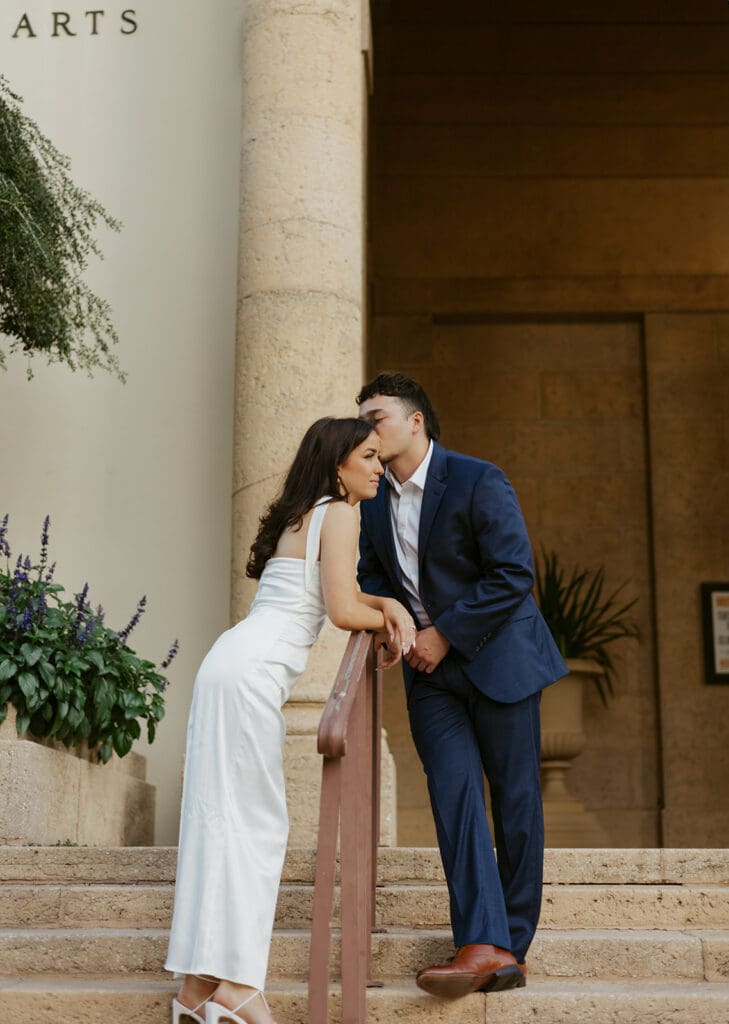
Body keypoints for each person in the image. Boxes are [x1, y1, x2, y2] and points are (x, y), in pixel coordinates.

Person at [165, 416, 416, 1024]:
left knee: (216, 821)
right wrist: (390, 610)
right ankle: (237, 988)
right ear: (338, 465)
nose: (379, 469)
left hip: (225, 664)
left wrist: (380, 602)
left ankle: (197, 988)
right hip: (250, 675)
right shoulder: (341, 511)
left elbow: (335, 598)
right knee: (256, 825)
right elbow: (339, 609)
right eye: (369, 458)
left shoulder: (302, 513)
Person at [356, 373, 568, 998]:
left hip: (497, 659)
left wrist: (444, 632)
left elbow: (513, 574)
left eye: (377, 416)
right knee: (454, 798)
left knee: (515, 800)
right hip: (428, 676)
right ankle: (480, 940)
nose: (367, 428)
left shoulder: (478, 479)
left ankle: (512, 945)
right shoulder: (368, 500)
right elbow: (371, 574)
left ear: (416, 420)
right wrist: (391, 622)